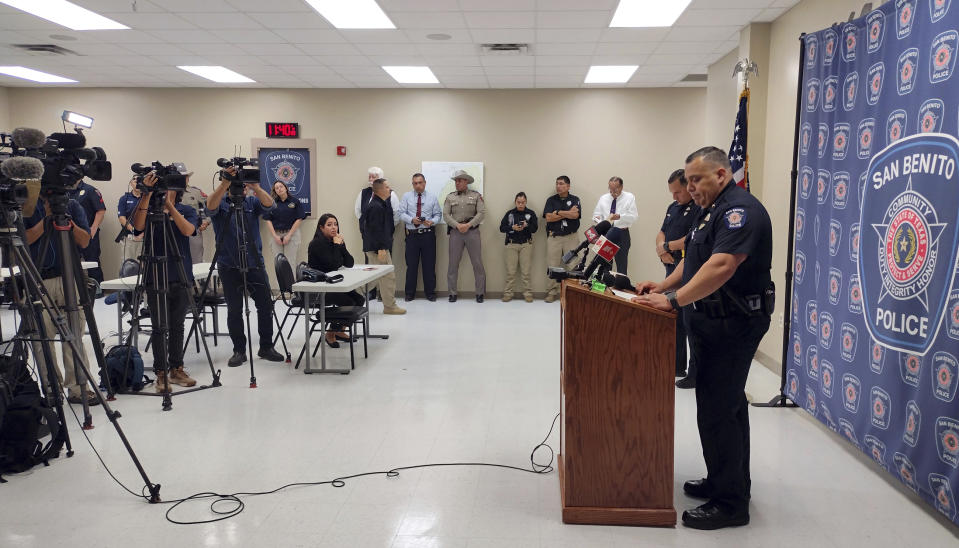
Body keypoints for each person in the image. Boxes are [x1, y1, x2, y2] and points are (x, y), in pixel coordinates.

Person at [632, 146, 773, 530]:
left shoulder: (740, 211)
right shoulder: (709, 211)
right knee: (714, 408)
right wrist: (661, 286)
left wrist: (673, 301)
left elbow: (722, 265)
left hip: (734, 323)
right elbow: (692, 262)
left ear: (722, 175)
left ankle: (731, 504)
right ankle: (722, 481)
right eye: (688, 180)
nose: (690, 187)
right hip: (710, 321)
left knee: (722, 410)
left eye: (697, 179)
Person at [206, 166, 285, 367]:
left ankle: (266, 347)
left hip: (254, 263)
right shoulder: (221, 203)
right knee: (235, 309)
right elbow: (210, 206)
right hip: (228, 264)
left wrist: (256, 187)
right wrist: (224, 183)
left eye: (240, 185)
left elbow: (271, 205)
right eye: (236, 184)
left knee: (265, 306)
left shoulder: (251, 202)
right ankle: (239, 350)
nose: (239, 188)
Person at [23, 193, 97, 406]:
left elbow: (85, 241)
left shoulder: (71, 205)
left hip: (69, 277)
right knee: (41, 336)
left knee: (74, 334)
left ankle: (78, 387)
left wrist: (68, 224)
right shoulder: (26, 207)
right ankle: (51, 389)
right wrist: (46, 220)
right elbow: (24, 239)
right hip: (39, 279)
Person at [131, 172, 199, 393]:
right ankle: (161, 373)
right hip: (155, 275)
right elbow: (138, 227)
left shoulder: (186, 210)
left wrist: (170, 206)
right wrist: (146, 196)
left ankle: (176, 368)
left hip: (180, 274)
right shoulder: (149, 210)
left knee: (177, 325)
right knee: (159, 327)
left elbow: (188, 230)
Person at [657, 169, 702, 389]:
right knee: (674, 316)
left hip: (689, 269)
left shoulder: (698, 208)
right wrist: (661, 248)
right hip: (671, 267)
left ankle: (694, 372)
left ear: (688, 187)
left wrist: (667, 246)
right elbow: (661, 232)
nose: (674, 197)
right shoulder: (673, 208)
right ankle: (677, 365)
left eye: (677, 192)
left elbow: (690, 240)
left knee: (689, 319)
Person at [307, 213, 366, 347]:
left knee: (359, 299)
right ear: (321, 228)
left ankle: (339, 330)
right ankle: (330, 333)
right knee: (348, 301)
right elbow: (332, 265)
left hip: (333, 283)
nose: (334, 228)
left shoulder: (335, 241)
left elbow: (350, 263)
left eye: (335, 224)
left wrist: (341, 246)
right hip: (320, 288)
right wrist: (337, 246)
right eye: (329, 225)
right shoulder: (317, 244)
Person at [361, 178, 405, 314]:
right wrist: (380, 248)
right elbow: (374, 229)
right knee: (386, 277)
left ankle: (388, 305)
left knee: (379, 277)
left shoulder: (381, 204)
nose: (389, 189)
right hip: (377, 249)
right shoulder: (376, 207)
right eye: (387, 187)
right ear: (379, 190)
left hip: (379, 247)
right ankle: (389, 306)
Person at [443, 170, 486, 302]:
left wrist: (468, 225)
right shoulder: (450, 197)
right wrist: (457, 225)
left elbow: (481, 212)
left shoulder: (476, 196)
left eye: (460, 180)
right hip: (456, 233)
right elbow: (445, 215)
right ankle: (452, 293)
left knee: (477, 263)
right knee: (453, 264)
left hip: (472, 231)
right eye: (455, 181)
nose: (457, 183)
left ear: (466, 181)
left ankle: (480, 293)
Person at [398, 172, 441, 301]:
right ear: (412, 184)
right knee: (411, 266)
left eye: (420, 182)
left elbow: (438, 214)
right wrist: (411, 220)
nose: (418, 185)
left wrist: (432, 221)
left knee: (429, 265)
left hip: (428, 235)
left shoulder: (432, 197)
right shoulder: (406, 197)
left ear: (425, 183)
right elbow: (401, 213)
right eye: (415, 183)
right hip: (412, 236)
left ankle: (430, 293)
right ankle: (409, 293)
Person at [543, 175, 581, 303]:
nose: (558, 186)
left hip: (571, 237)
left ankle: (574, 293)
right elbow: (548, 217)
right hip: (554, 237)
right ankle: (551, 293)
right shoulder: (551, 200)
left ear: (568, 186)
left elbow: (575, 215)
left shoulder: (575, 199)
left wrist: (558, 212)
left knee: (573, 265)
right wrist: (566, 213)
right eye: (557, 184)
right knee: (552, 265)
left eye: (561, 184)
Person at [592, 176, 638, 274]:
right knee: (604, 264)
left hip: (621, 233)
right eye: (610, 189)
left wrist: (620, 216)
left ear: (621, 187)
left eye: (615, 189)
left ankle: (620, 287)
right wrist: (601, 222)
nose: (612, 192)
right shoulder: (603, 198)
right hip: (606, 233)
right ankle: (603, 285)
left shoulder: (629, 197)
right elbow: (596, 215)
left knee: (621, 266)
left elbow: (634, 216)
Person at [499, 192, 538, 302]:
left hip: (526, 244)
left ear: (526, 202)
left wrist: (527, 226)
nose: (520, 204)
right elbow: (501, 228)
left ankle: (528, 293)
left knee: (526, 272)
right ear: (515, 202)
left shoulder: (531, 213)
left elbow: (535, 229)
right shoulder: (510, 214)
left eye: (523, 202)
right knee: (510, 272)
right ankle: (508, 293)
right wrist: (512, 227)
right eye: (518, 202)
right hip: (511, 244)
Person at [68, 179, 106, 282]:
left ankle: (98, 292)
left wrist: (93, 228)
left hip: (88, 234)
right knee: (71, 263)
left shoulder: (89, 190)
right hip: (70, 234)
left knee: (92, 262)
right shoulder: (64, 191)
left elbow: (101, 210)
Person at [174, 163, 210, 265]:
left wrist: (206, 221)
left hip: (193, 232)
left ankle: (196, 281)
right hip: (173, 232)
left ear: (188, 179)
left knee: (196, 262)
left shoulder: (196, 192)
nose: (183, 180)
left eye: (185, 177)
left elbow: (211, 206)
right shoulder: (168, 194)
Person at [263, 181, 306, 263]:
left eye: (281, 186)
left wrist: (289, 235)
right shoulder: (272, 203)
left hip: (292, 234)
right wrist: (275, 236)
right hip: (276, 235)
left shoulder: (295, 201)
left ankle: (290, 277)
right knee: (279, 263)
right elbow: (268, 219)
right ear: (275, 191)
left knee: (290, 262)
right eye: (277, 188)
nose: (279, 189)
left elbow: (299, 218)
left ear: (286, 188)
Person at [117, 176, 144, 264]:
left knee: (143, 265)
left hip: (144, 238)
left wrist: (142, 233)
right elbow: (122, 217)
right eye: (134, 179)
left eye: (139, 180)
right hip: (129, 237)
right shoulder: (124, 198)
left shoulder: (147, 198)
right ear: (131, 183)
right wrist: (134, 230)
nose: (137, 181)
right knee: (128, 266)